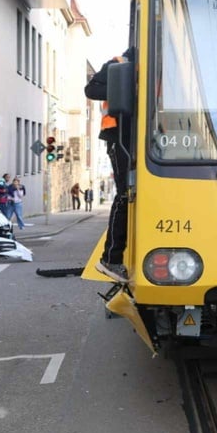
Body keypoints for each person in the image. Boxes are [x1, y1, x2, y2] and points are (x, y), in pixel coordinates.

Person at [85, 47, 134, 281]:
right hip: (119, 136)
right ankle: (111, 259)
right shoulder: (119, 63)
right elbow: (91, 89)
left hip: (144, 137)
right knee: (124, 194)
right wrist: (124, 88)